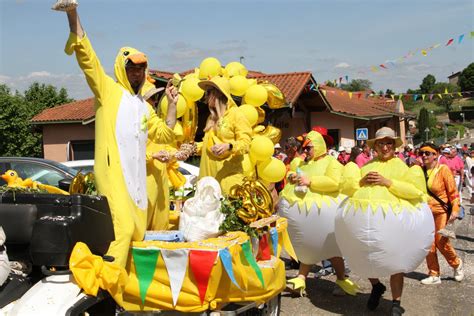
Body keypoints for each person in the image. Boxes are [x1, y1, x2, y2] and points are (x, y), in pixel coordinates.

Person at [61, 7, 177, 267]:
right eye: (132, 68)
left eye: (141, 69)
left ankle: (128, 288)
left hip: (135, 182)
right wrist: (72, 15)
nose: (137, 73)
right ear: (122, 69)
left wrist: (171, 104)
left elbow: (165, 133)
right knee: (123, 228)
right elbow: (88, 60)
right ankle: (106, 280)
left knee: (137, 231)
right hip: (114, 175)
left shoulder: (143, 106)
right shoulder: (109, 92)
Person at [335, 127, 434, 316]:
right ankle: (376, 286)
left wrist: (388, 182)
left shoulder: (402, 167)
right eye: (381, 143)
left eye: (389, 142)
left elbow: (415, 192)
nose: (385, 146)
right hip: (366, 224)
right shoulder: (366, 166)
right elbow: (347, 189)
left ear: (394, 146)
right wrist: (361, 181)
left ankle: (396, 302)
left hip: (394, 224)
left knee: (396, 262)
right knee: (365, 256)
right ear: (375, 146)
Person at [278, 131, 359, 297]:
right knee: (309, 244)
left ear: (319, 146)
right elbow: (299, 174)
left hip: (326, 212)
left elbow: (334, 183)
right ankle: (301, 278)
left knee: (332, 248)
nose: (306, 151)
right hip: (307, 213)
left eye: (309, 147)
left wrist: (311, 181)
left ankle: (342, 279)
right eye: (305, 148)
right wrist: (295, 178)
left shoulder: (332, 162)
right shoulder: (307, 164)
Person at [196, 76, 252, 194]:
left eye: (208, 92)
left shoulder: (237, 115)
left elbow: (246, 144)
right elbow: (209, 145)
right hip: (208, 180)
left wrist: (229, 146)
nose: (205, 97)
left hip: (227, 181)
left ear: (219, 93)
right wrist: (194, 147)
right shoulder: (211, 118)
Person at [418, 143, 464, 285]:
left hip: (441, 211)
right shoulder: (420, 171)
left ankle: (456, 264)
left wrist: (455, 210)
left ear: (435, 155)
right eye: (422, 153)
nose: (424, 156)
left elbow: (453, 192)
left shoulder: (443, 170)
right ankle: (434, 274)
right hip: (425, 213)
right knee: (428, 244)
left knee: (441, 242)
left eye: (427, 153)